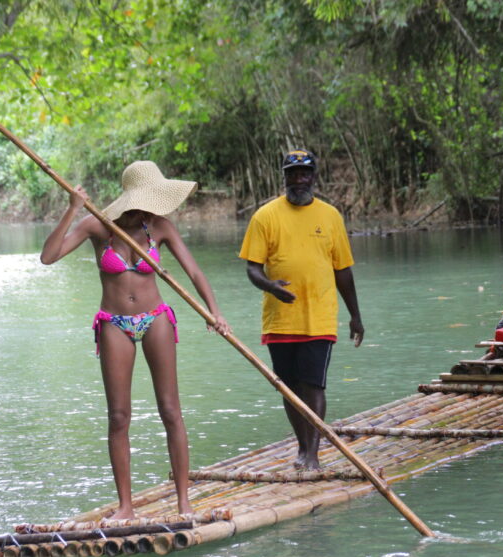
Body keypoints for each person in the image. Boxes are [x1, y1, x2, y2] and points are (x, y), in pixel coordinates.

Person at [41, 160, 230, 519]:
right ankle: (125, 507)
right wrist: (72, 210)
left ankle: (183, 502)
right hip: (114, 323)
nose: (149, 206)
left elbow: (192, 270)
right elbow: (48, 257)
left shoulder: (159, 227)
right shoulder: (96, 225)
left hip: (155, 318)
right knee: (119, 416)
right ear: (128, 198)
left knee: (171, 410)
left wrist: (214, 311)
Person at [239, 149, 364, 470]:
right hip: (280, 318)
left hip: (319, 316)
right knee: (290, 387)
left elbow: (343, 270)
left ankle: (312, 452)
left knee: (314, 384)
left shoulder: (331, 216)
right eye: (292, 174)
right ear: (284, 177)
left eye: (304, 173)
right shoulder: (265, 217)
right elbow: (253, 269)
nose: (299, 180)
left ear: (314, 176)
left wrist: (355, 315)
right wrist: (270, 287)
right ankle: (302, 446)